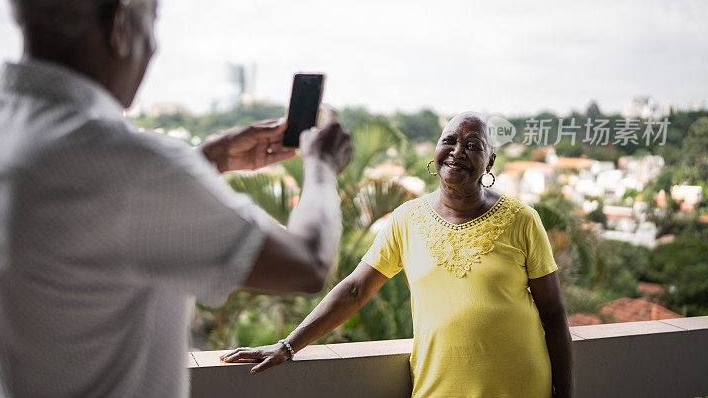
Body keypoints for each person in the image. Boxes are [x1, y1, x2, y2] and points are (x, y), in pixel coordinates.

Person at [0, 0, 352, 398]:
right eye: (152, 17)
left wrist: (203, 162)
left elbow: (82, 229)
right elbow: (306, 264)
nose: (153, 47)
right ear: (120, 23)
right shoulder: (124, 167)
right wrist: (319, 166)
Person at [221, 112, 574, 398]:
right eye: (448, 141)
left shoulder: (522, 220)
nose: (458, 151)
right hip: (438, 389)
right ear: (434, 152)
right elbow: (356, 289)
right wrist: (287, 346)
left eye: (472, 145)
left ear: (490, 161)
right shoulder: (407, 219)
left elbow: (554, 314)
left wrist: (566, 393)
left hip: (522, 387)